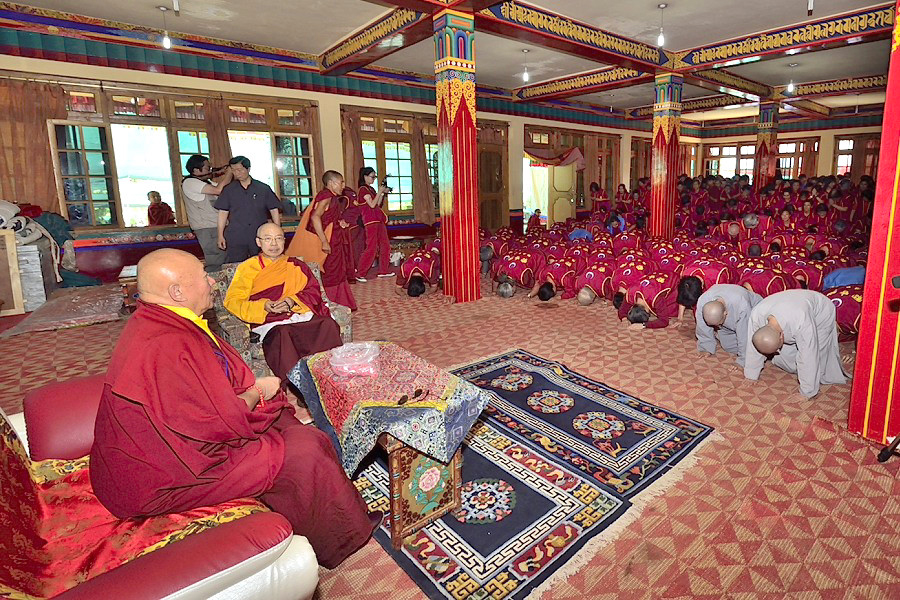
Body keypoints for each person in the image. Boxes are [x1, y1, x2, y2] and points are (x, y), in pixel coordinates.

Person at [89, 248, 377, 570]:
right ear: (177, 292)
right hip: (170, 476)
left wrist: (253, 396)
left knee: (285, 422)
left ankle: (310, 509)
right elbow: (217, 424)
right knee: (305, 450)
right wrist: (256, 391)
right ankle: (342, 539)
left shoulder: (162, 320)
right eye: (204, 277)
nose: (212, 282)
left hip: (180, 451)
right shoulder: (164, 344)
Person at [224, 223, 343, 381]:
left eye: (278, 238)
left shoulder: (296, 265)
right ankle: (298, 382)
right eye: (268, 239)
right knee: (283, 334)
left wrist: (291, 301)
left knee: (327, 324)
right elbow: (233, 301)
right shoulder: (247, 268)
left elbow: (313, 292)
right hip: (270, 321)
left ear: (284, 241)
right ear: (258, 242)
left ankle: (329, 375)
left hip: (298, 314)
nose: (274, 244)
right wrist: (264, 305)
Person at [744, 289, 848, 399]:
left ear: (782, 336)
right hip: (789, 302)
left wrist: (806, 392)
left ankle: (812, 383)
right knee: (785, 359)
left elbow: (808, 355)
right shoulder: (756, 316)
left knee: (818, 354)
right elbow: (753, 347)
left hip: (821, 310)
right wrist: (751, 374)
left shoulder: (801, 320)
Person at [286, 170, 358, 311]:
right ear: (331, 183)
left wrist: (339, 222)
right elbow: (315, 217)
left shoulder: (331, 197)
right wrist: (324, 241)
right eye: (341, 182)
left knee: (337, 272)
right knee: (331, 274)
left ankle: (341, 304)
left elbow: (328, 217)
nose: (343, 186)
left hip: (334, 239)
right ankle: (330, 304)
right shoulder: (326, 196)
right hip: (328, 241)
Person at [215, 156, 282, 263]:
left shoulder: (263, 188)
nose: (237, 173)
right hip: (236, 235)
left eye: (239, 170)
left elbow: (274, 210)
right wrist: (220, 235)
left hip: (259, 235)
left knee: (262, 263)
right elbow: (222, 213)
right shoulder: (228, 190)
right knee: (237, 265)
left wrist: (277, 231)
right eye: (233, 170)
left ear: (248, 169)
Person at [181, 154, 233, 271]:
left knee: (226, 261)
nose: (210, 170)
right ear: (196, 170)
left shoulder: (206, 182)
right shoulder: (190, 182)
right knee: (216, 262)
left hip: (216, 227)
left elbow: (225, 189)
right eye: (207, 168)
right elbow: (219, 190)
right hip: (207, 229)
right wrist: (229, 173)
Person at [695, 284, 762, 367]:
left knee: (754, 344)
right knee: (728, 346)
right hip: (728, 318)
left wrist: (742, 360)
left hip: (753, 313)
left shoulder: (742, 305)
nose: (717, 327)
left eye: (719, 324)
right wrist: (705, 347)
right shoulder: (703, 301)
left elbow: (744, 334)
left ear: (725, 313)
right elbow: (702, 326)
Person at [353, 167, 394, 281]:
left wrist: (382, 193)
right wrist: (379, 192)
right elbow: (371, 205)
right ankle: (360, 273)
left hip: (378, 220)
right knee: (372, 247)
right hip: (370, 221)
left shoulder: (370, 189)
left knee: (385, 245)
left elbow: (377, 204)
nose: (374, 179)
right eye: (372, 176)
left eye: (375, 177)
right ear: (365, 176)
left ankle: (383, 270)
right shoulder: (363, 190)